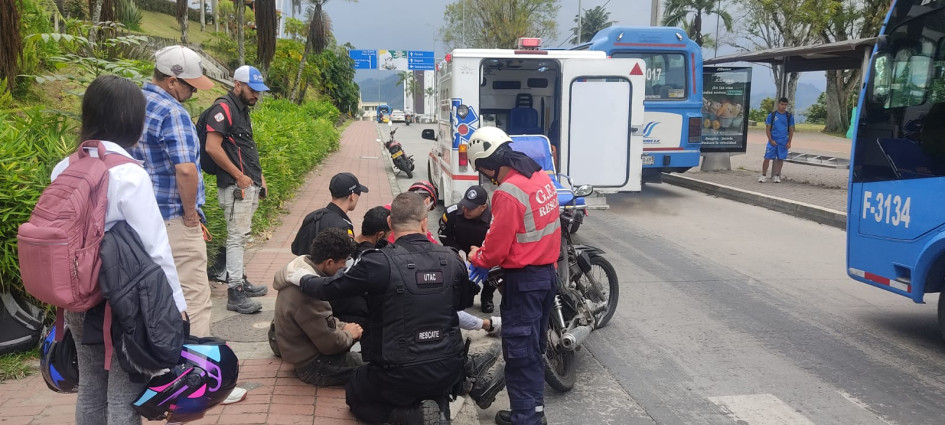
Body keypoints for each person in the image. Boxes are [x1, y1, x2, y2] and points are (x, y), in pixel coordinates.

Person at [57, 75, 188, 424]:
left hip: (75, 295)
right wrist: (176, 304)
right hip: (120, 300)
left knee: (90, 386)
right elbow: (154, 247)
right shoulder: (128, 174)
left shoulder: (65, 167)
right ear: (132, 121)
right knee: (124, 391)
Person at [287, 192, 478, 424]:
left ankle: (414, 416)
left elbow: (328, 288)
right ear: (424, 222)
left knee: (356, 391)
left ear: (389, 222)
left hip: (396, 373)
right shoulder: (452, 258)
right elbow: (462, 303)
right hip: (448, 367)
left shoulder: (377, 262)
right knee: (433, 379)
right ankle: (446, 401)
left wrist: (300, 276)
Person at [466, 127, 561, 425]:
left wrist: (475, 256)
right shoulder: (540, 176)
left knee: (520, 354)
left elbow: (495, 250)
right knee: (533, 350)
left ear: (487, 165)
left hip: (524, 283)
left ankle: (526, 418)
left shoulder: (508, 193)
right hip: (546, 275)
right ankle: (533, 412)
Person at [130, 45, 214, 338]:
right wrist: (191, 216)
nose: (194, 92)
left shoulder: (132, 104)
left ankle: (157, 358)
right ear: (172, 81)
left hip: (138, 219)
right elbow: (186, 170)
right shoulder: (173, 112)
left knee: (152, 297)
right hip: (174, 219)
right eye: (190, 86)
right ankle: (197, 361)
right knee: (194, 296)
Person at [203, 65, 271, 314]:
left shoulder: (242, 111)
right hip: (235, 186)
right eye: (253, 90)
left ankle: (240, 279)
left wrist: (259, 177)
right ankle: (235, 291)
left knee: (241, 236)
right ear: (237, 85)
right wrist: (239, 176)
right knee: (236, 236)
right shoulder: (223, 109)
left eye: (259, 91)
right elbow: (212, 147)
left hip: (247, 183)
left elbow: (245, 147)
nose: (256, 95)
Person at [273, 228, 364, 387]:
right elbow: (330, 344)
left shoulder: (299, 270)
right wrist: (350, 334)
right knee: (376, 368)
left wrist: (343, 326)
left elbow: (320, 320)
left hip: (300, 350)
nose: (344, 268)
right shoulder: (310, 294)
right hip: (314, 365)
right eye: (343, 263)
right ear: (329, 262)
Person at [439, 185, 496, 313]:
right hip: (459, 251)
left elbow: (499, 243)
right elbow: (443, 236)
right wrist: (458, 252)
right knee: (466, 300)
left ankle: (487, 296)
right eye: (465, 205)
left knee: (496, 268)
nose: (466, 210)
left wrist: (482, 255)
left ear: (483, 207)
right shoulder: (452, 212)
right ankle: (467, 292)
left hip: (484, 252)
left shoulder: (494, 218)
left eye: (471, 208)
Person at [291, 172, 368, 255]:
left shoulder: (312, 216)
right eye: (358, 193)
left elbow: (295, 248)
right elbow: (347, 258)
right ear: (352, 196)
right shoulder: (343, 226)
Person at [759, 97, 795, 183]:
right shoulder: (772, 115)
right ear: (778, 104)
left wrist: (789, 141)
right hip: (773, 141)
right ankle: (763, 175)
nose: (783, 106)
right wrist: (771, 140)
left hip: (783, 141)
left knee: (780, 158)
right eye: (782, 104)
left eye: (785, 105)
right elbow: (768, 129)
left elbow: (791, 130)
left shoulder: (789, 116)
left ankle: (777, 175)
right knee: (767, 158)